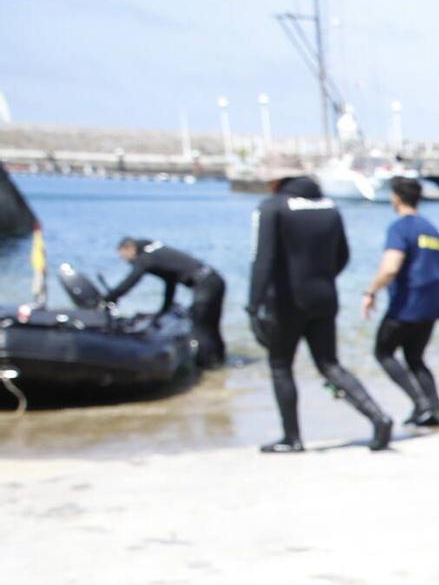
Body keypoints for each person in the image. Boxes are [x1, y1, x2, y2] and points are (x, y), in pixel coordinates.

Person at [247, 176, 393, 453]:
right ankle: (378, 417)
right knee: (329, 364)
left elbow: (262, 260)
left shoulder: (272, 208)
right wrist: (321, 280)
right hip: (324, 296)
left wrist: (253, 307)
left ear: (279, 182)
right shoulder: (329, 208)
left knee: (280, 366)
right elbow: (343, 255)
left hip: (285, 301)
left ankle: (292, 438)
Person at [361, 177, 439, 428]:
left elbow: (390, 268)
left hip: (406, 304)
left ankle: (420, 402)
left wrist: (370, 292)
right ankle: (436, 411)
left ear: (396, 198)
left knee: (383, 352)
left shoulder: (400, 228)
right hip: (431, 304)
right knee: (415, 357)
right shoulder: (432, 229)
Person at [104, 238, 227, 367]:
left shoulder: (146, 258)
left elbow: (130, 281)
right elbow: (170, 282)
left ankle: (205, 367)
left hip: (205, 285)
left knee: (201, 328)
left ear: (130, 248)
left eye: (124, 256)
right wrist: (165, 309)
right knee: (212, 327)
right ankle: (220, 362)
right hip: (215, 280)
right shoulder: (155, 252)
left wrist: (109, 298)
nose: (126, 261)